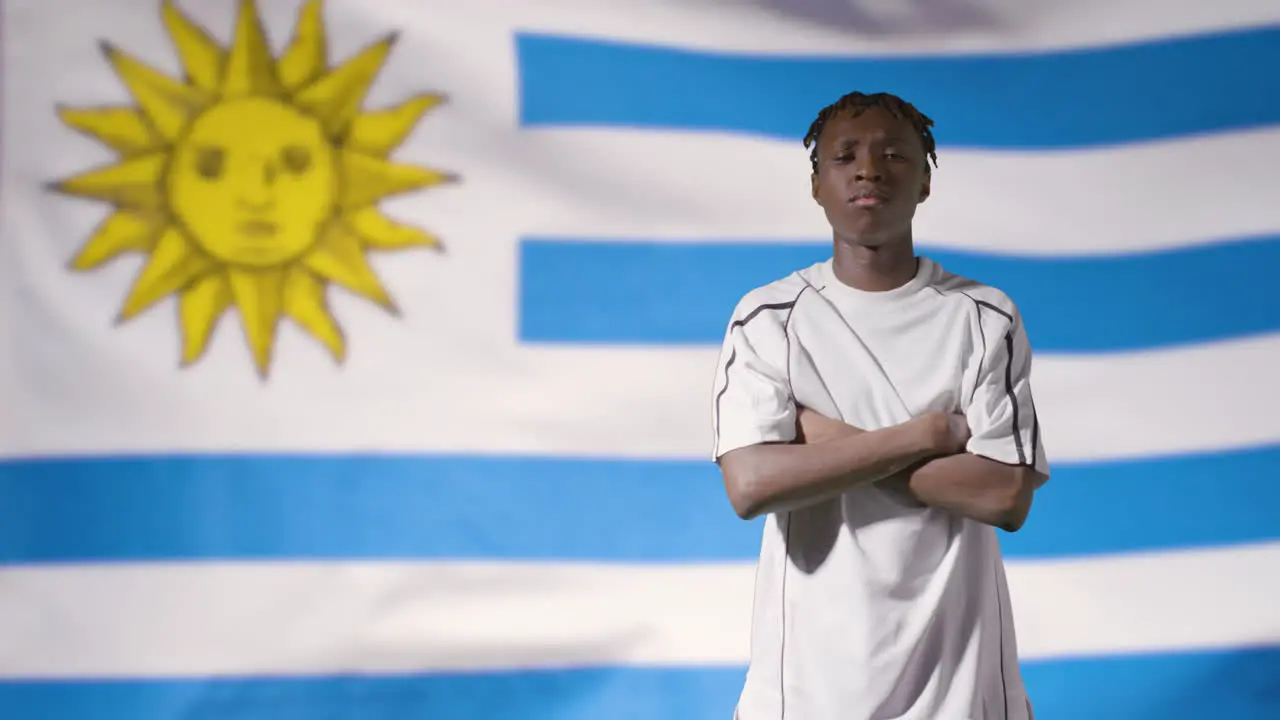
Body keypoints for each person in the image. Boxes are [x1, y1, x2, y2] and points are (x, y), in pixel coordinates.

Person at [710, 91, 1050, 720]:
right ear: (817, 184)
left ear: (925, 182)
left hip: (963, 689)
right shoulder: (769, 319)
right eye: (845, 156)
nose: (869, 169)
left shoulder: (983, 317)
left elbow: (1003, 496)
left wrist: (822, 439)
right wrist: (926, 435)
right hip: (807, 692)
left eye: (895, 153)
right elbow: (751, 485)